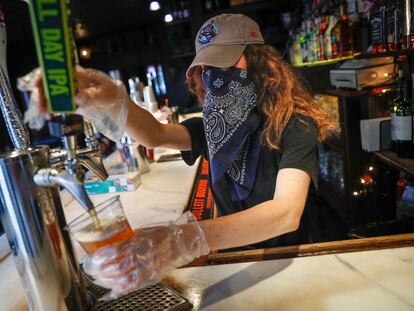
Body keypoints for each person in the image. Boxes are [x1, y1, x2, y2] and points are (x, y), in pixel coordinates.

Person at [36, 14, 333, 299]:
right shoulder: (217, 128)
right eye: (208, 68)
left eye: (225, 62)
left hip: (290, 263)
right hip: (235, 260)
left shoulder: (294, 124)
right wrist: (111, 98)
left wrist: (182, 239)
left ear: (259, 61)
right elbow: (155, 134)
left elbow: (286, 213)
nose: (215, 75)